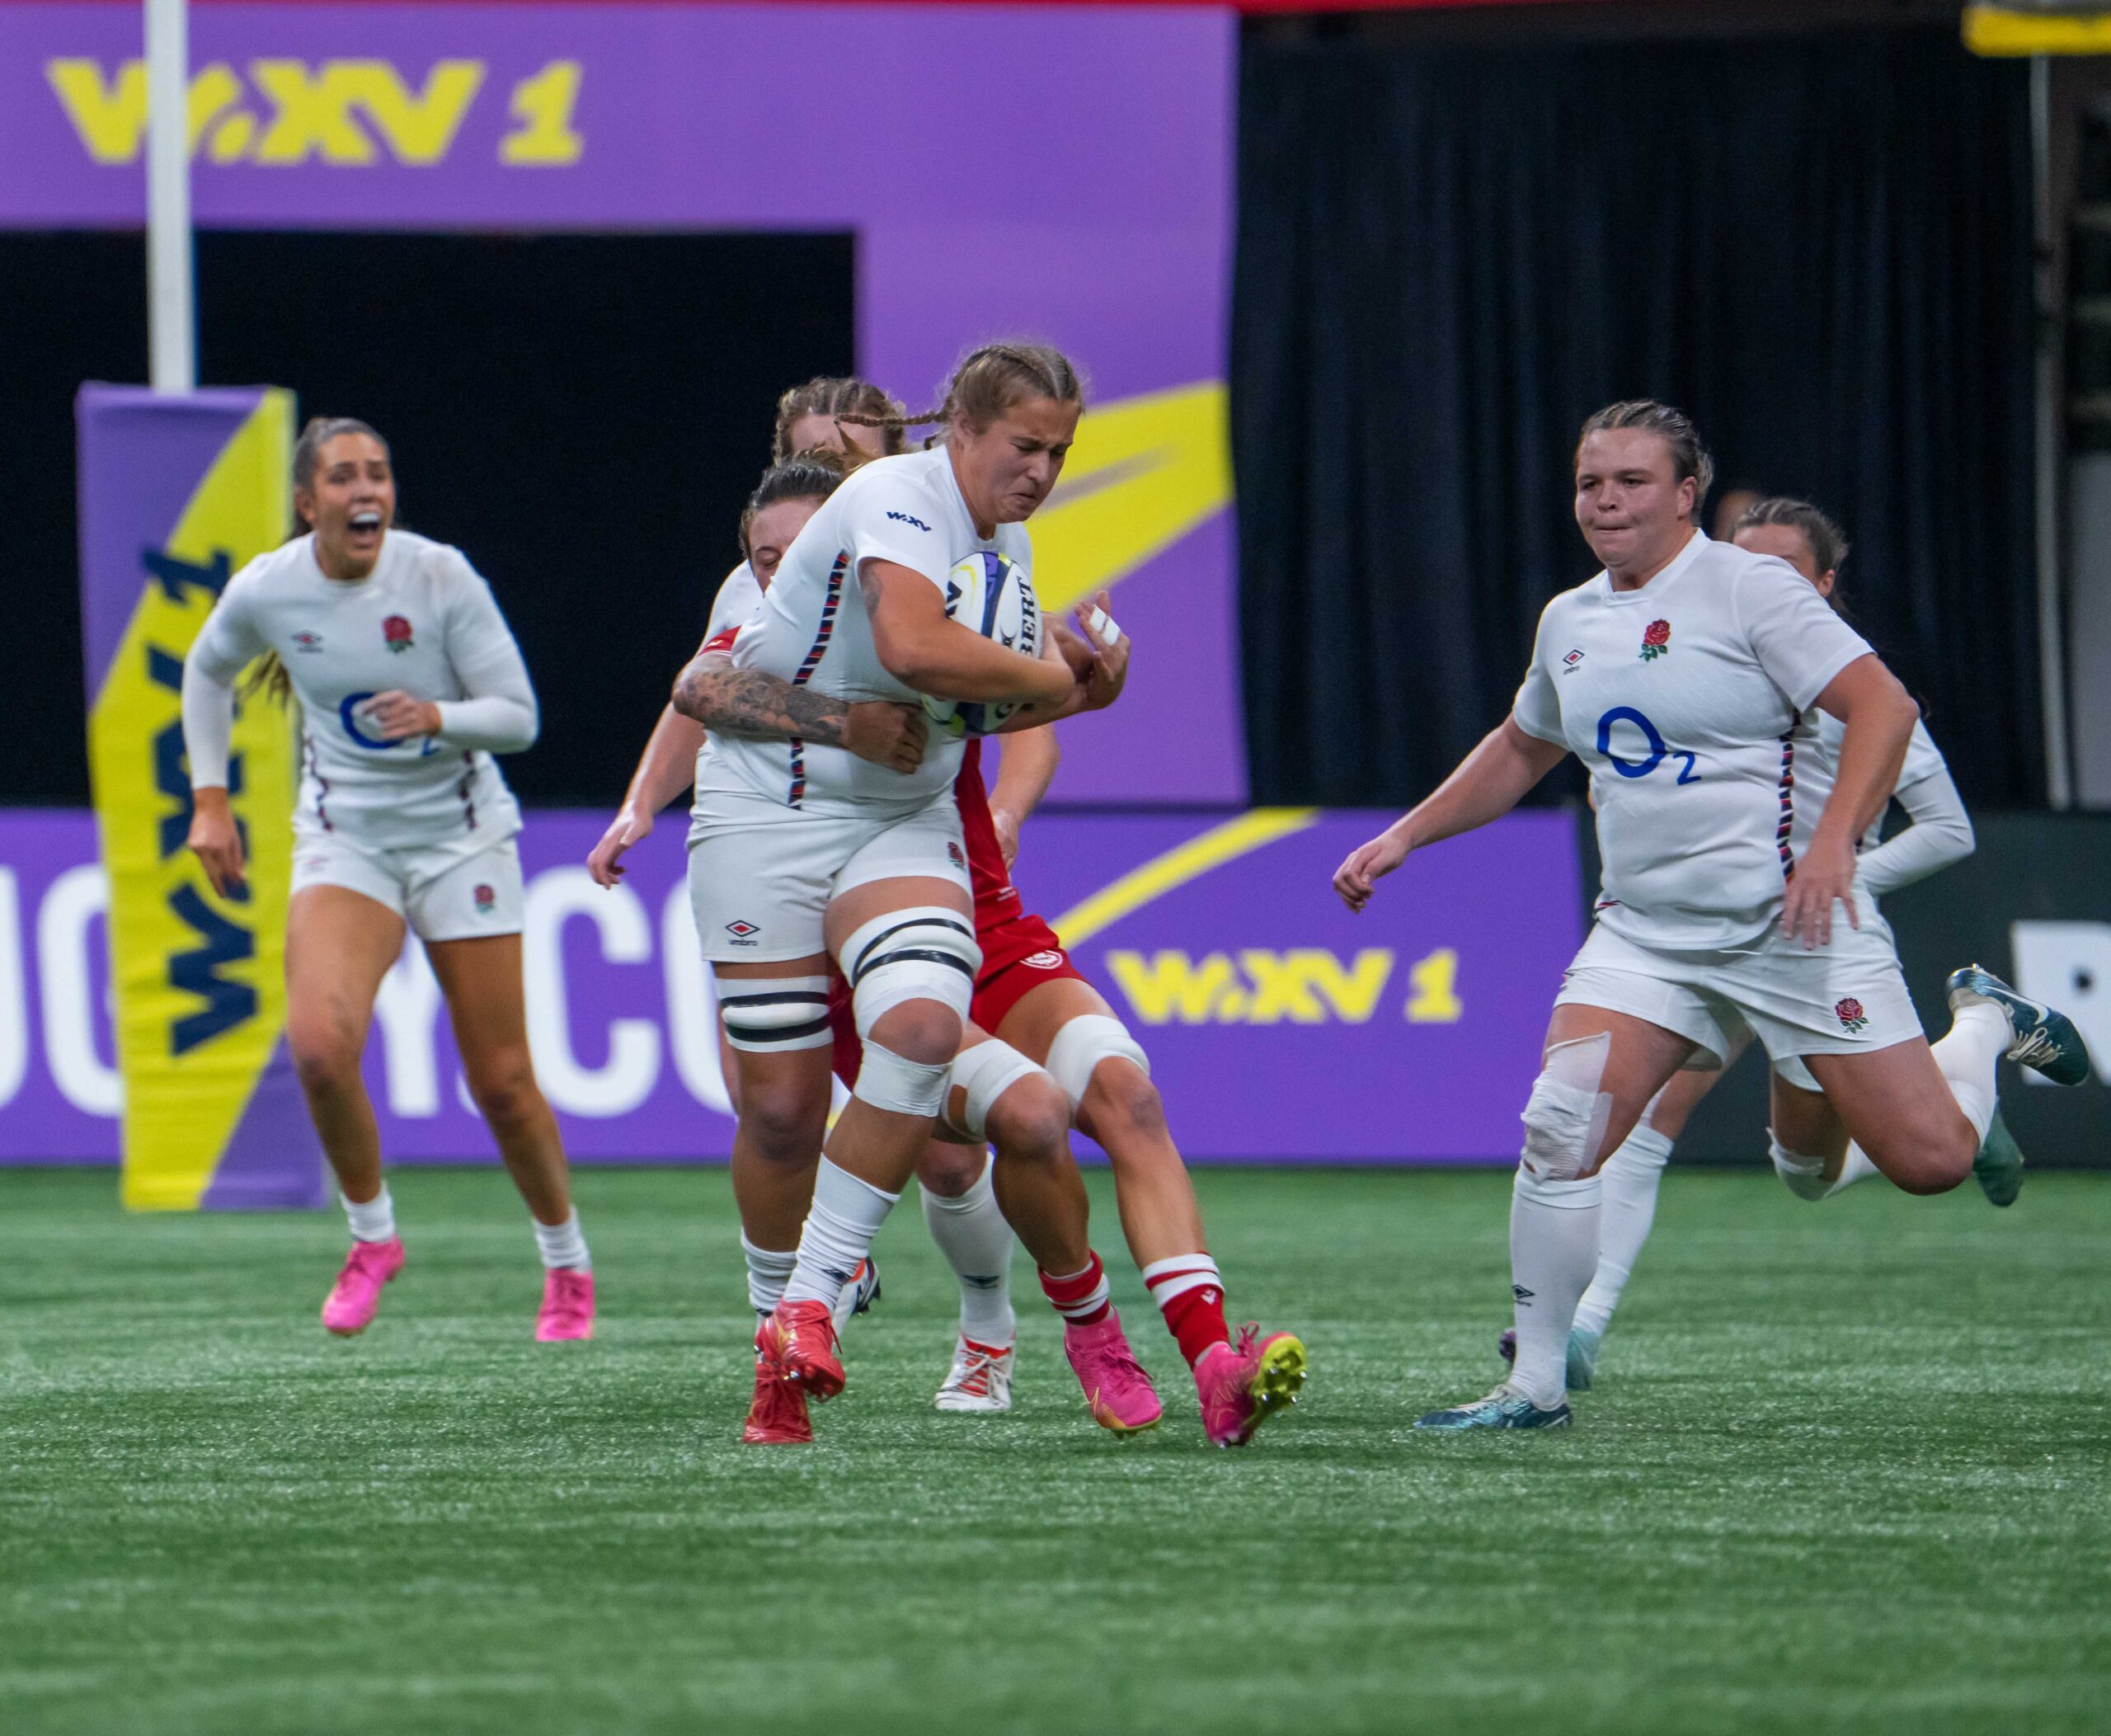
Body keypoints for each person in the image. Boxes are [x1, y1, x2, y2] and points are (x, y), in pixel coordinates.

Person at [1334, 400, 2091, 1431]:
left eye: (1631, 481)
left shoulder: (1750, 588)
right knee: (1560, 1128)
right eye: (1589, 483)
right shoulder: (1570, 618)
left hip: (1794, 930)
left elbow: (1886, 707)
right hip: (1645, 934)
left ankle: (1982, 1030)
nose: (1604, 501)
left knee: (1929, 1163)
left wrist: (1834, 845)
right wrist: (1405, 835)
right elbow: (1522, 744)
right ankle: (1535, 1385)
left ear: (1686, 493)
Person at [675, 342, 1135, 1440]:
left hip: (898, 818)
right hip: (762, 822)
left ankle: (811, 1311)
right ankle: (777, 1339)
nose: (1042, 471)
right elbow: (903, 654)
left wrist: (1079, 694)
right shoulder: (887, 498)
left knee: (925, 1033)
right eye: (1026, 445)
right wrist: (1051, 677)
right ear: (958, 433)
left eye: (1059, 451)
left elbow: (982, 708)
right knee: (780, 1111)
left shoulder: (1002, 544)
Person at [1496, 495, 1994, 1393]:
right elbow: (1559, 746)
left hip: (1804, 940)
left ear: (1824, 585)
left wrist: (1839, 870)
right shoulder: (1675, 646)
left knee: (1849, 1168)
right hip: (1676, 937)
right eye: (1744, 560)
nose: (1757, 579)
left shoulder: (1848, 688)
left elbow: (1947, 827)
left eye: (1783, 569)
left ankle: (1976, 1040)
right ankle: (1573, 1333)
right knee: (1628, 1119)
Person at [183, 417, 594, 1342]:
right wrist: (210, 801)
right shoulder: (270, 588)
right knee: (318, 1049)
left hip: (460, 839)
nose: (364, 489)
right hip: (349, 840)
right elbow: (206, 672)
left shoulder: (439, 576)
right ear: (308, 502)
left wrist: (438, 715)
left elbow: (519, 717)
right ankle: (373, 1239)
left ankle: (566, 1258)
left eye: (377, 473)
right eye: (342, 476)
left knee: (502, 1082)